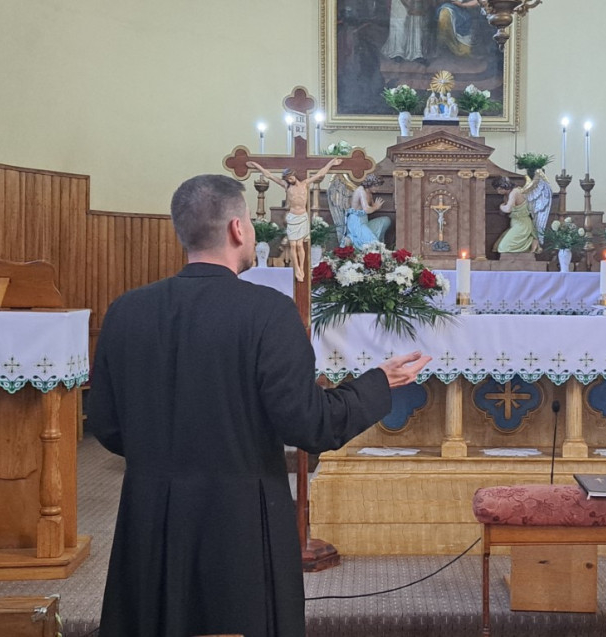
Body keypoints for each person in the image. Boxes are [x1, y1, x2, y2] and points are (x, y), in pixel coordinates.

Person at [87, 174, 431, 637]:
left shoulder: (126, 310)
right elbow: (309, 425)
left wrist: (163, 458)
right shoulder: (268, 312)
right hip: (239, 522)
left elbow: (106, 423)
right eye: (248, 220)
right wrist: (378, 384)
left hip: (149, 517)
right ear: (237, 229)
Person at [247, 158, 340, 282]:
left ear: (294, 175)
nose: (289, 180)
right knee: (293, 245)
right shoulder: (286, 186)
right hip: (292, 217)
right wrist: (256, 165)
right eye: (287, 179)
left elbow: (320, 174)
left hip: (302, 217)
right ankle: (296, 268)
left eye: (290, 178)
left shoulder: (305, 184)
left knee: (300, 245)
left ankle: (301, 268)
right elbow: (269, 175)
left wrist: (331, 163)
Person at [492, 176, 540, 253]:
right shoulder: (507, 195)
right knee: (497, 247)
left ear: (504, 186)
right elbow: (505, 211)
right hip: (515, 223)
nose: (498, 192)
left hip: (522, 224)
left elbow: (508, 209)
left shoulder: (515, 192)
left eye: (499, 189)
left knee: (503, 248)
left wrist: (501, 206)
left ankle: (531, 242)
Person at [345, 174, 392, 249]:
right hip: (356, 222)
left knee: (386, 220)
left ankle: (364, 238)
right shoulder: (361, 191)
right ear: (370, 184)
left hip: (364, 221)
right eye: (376, 186)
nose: (378, 189)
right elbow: (366, 209)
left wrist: (376, 206)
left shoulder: (369, 193)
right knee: (374, 243)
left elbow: (372, 207)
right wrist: (375, 207)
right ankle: (352, 239)